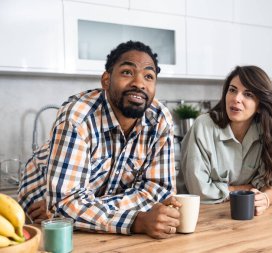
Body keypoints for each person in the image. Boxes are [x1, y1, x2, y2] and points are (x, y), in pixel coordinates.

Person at [18, 40, 181, 239]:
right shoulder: (77, 117)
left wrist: (79, 208)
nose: (139, 83)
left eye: (149, 76)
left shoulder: (159, 119)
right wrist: (137, 220)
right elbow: (64, 206)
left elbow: (159, 190)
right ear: (106, 80)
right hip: (38, 214)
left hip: (72, 215)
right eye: (127, 72)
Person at [177, 65, 272, 215]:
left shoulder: (266, 131)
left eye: (248, 94)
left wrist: (266, 199)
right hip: (196, 215)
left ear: (260, 105)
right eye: (232, 90)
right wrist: (242, 189)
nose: (236, 98)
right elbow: (200, 191)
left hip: (241, 214)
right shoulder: (203, 126)